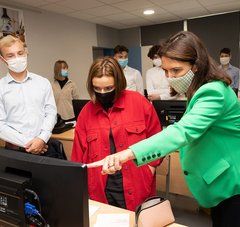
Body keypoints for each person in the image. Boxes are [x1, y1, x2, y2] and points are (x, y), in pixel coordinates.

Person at [88, 31, 240, 226]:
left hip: (232, 185)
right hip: (221, 187)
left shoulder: (213, 91)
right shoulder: (201, 89)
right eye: (166, 71)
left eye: (176, 71)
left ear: (197, 65)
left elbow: (182, 132)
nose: (170, 77)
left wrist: (127, 153)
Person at [71, 57, 162, 211]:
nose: (102, 93)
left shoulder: (139, 103)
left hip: (137, 183)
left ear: (118, 84)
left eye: (108, 88)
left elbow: (158, 141)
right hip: (101, 189)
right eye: (97, 89)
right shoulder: (86, 112)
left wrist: (150, 168)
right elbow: (78, 157)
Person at [0, 35, 57, 156]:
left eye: (20, 53)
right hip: (15, 151)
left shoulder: (43, 82)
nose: (17, 58)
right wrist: (31, 144)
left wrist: (42, 139)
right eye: (10, 55)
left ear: (26, 53)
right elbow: (0, 124)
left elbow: (51, 113)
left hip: (44, 147)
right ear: (3, 59)